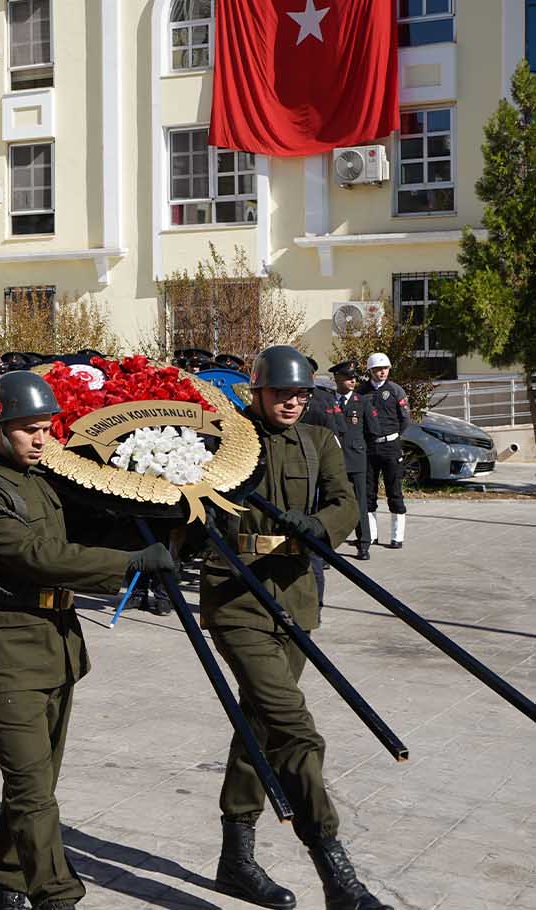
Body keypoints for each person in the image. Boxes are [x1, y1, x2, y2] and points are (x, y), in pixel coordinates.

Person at [0, 369, 172, 910]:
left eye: (46, 428)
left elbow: (79, 532)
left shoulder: (40, 479)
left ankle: (9, 878)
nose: (41, 439)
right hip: (6, 647)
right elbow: (36, 556)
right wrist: (128, 563)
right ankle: (57, 895)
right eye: (27, 429)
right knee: (31, 788)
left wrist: (150, 513)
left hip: (55, 646)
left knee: (35, 783)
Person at [203, 345, 390, 910]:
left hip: (297, 595)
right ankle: (336, 872)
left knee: (260, 718)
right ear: (257, 392)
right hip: (238, 595)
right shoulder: (230, 442)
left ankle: (235, 857)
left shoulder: (319, 440)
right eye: (282, 393)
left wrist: (318, 526)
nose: (292, 402)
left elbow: (346, 503)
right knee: (293, 727)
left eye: (302, 394)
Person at [362, 352, 409, 550]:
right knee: (368, 492)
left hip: (390, 446)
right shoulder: (362, 391)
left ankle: (397, 537)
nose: (382, 372)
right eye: (378, 369)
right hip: (370, 447)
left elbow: (405, 419)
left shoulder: (396, 390)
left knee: (394, 491)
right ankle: (371, 535)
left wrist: (394, 436)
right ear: (370, 371)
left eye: (385, 369)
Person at [330, 360, 372, 562]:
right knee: (330, 503)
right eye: (348, 378)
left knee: (359, 503)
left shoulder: (362, 401)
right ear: (337, 379)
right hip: (332, 460)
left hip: (356, 459)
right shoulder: (328, 400)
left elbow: (372, 432)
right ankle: (327, 548)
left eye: (354, 378)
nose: (352, 381)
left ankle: (364, 544)